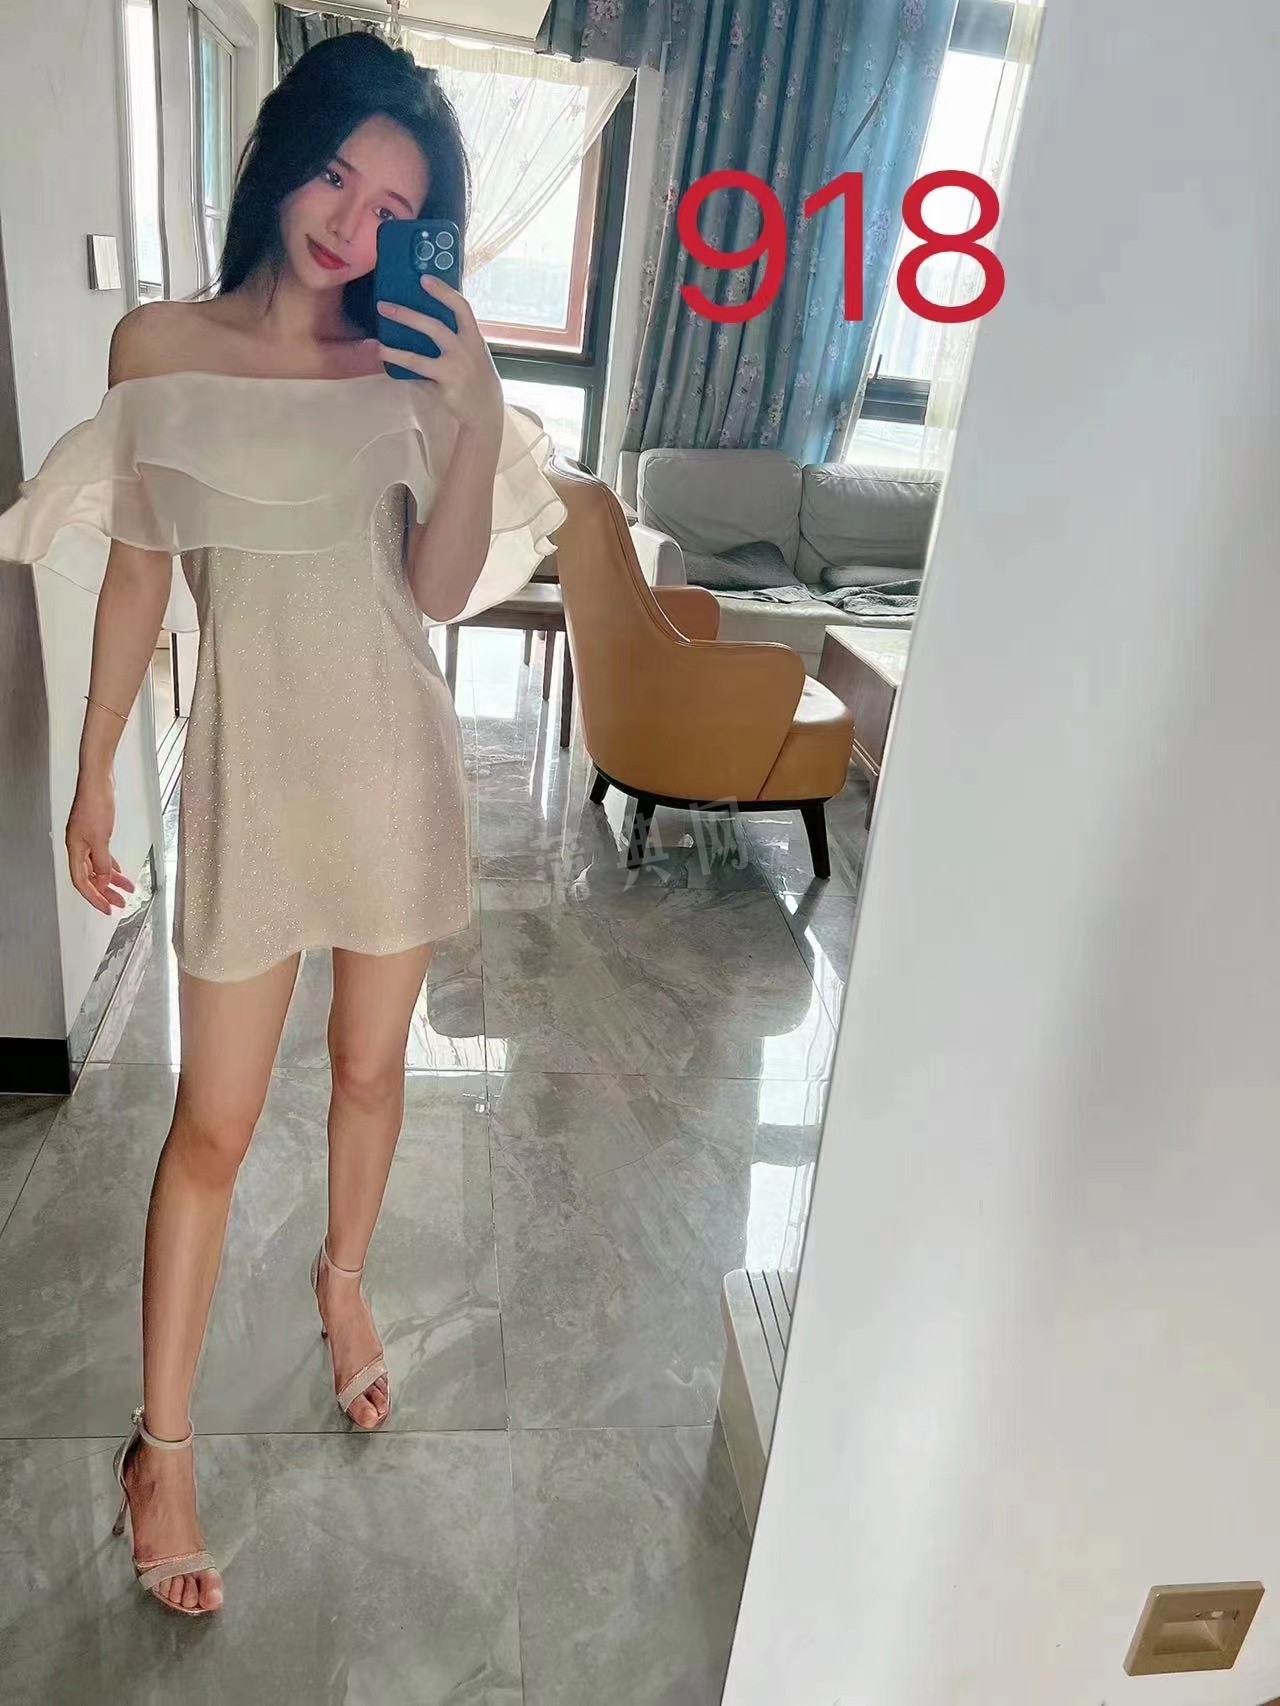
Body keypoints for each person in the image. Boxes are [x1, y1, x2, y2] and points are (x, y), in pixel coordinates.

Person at [0, 32, 565, 1618]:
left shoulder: (407, 360)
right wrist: (93, 768)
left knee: (373, 1072)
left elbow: (437, 590)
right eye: (335, 174)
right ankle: (161, 1450)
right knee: (213, 1126)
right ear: (280, 157)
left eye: (395, 208)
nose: (351, 222)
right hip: (248, 782)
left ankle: (343, 1281)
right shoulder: (158, 345)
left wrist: (473, 408)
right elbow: (136, 569)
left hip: (395, 769)